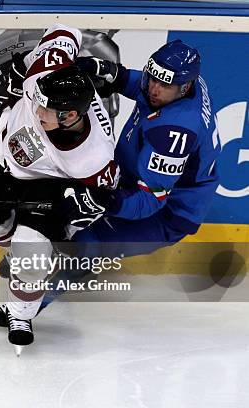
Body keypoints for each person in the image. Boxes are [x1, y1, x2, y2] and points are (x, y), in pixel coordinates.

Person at [28, 40, 222, 312]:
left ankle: (32, 304)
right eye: (152, 77)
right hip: (137, 180)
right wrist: (111, 72)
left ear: (184, 87)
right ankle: (35, 259)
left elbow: (149, 202)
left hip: (169, 212)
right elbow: (147, 86)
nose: (153, 89)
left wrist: (106, 202)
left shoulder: (173, 134)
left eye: (163, 85)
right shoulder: (186, 83)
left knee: (88, 245)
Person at [0, 24, 119, 355]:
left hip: (48, 184)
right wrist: (21, 68)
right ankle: (14, 251)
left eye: (45, 109)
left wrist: (72, 207)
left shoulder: (93, 157)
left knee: (31, 253)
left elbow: (101, 200)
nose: (37, 111)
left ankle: (20, 313)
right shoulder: (49, 70)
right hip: (1, 152)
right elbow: (65, 31)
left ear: (71, 115)